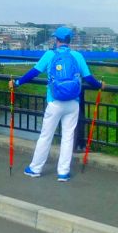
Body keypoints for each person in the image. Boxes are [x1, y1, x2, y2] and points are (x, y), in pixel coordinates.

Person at [10, 26, 105, 182]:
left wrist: (17, 83)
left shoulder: (50, 55)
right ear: (69, 40)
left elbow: (33, 73)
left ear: (56, 40)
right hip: (73, 103)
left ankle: (35, 168)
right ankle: (63, 172)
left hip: (54, 102)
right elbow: (89, 79)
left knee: (46, 136)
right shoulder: (77, 56)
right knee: (68, 137)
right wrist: (100, 85)